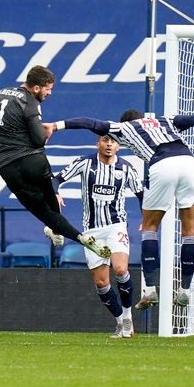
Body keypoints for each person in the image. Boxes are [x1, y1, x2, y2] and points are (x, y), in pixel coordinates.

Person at [44, 110, 194, 310]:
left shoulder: (124, 128)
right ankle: (185, 290)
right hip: (189, 163)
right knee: (190, 230)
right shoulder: (164, 120)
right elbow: (191, 120)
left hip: (162, 164)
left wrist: (57, 125)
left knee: (150, 228)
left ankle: (149, 290)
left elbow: (91, 121)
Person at [0, 65, 110, 258]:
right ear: (36, 88)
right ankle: (62, 231)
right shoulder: (30, 102)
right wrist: (45, 132)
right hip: (33, 161)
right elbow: (38, 139)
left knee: (42, 211)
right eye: (48, 88)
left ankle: (77, 236)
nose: (50, 93)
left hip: (6, 166)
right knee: (50, 199)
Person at [52, 135, 144, 338]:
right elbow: (56, 179)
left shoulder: (126, 168)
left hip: (115, 226)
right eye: (105, 140)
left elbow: (141, 194)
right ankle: (119, 322)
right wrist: (56, 192)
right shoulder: (85, 163)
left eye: (113, 141)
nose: (109, 144)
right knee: (102, 283)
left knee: (120, 269)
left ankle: (128, 319)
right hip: (92, 230)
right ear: (98, 144)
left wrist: (147, 219)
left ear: (119, 146)